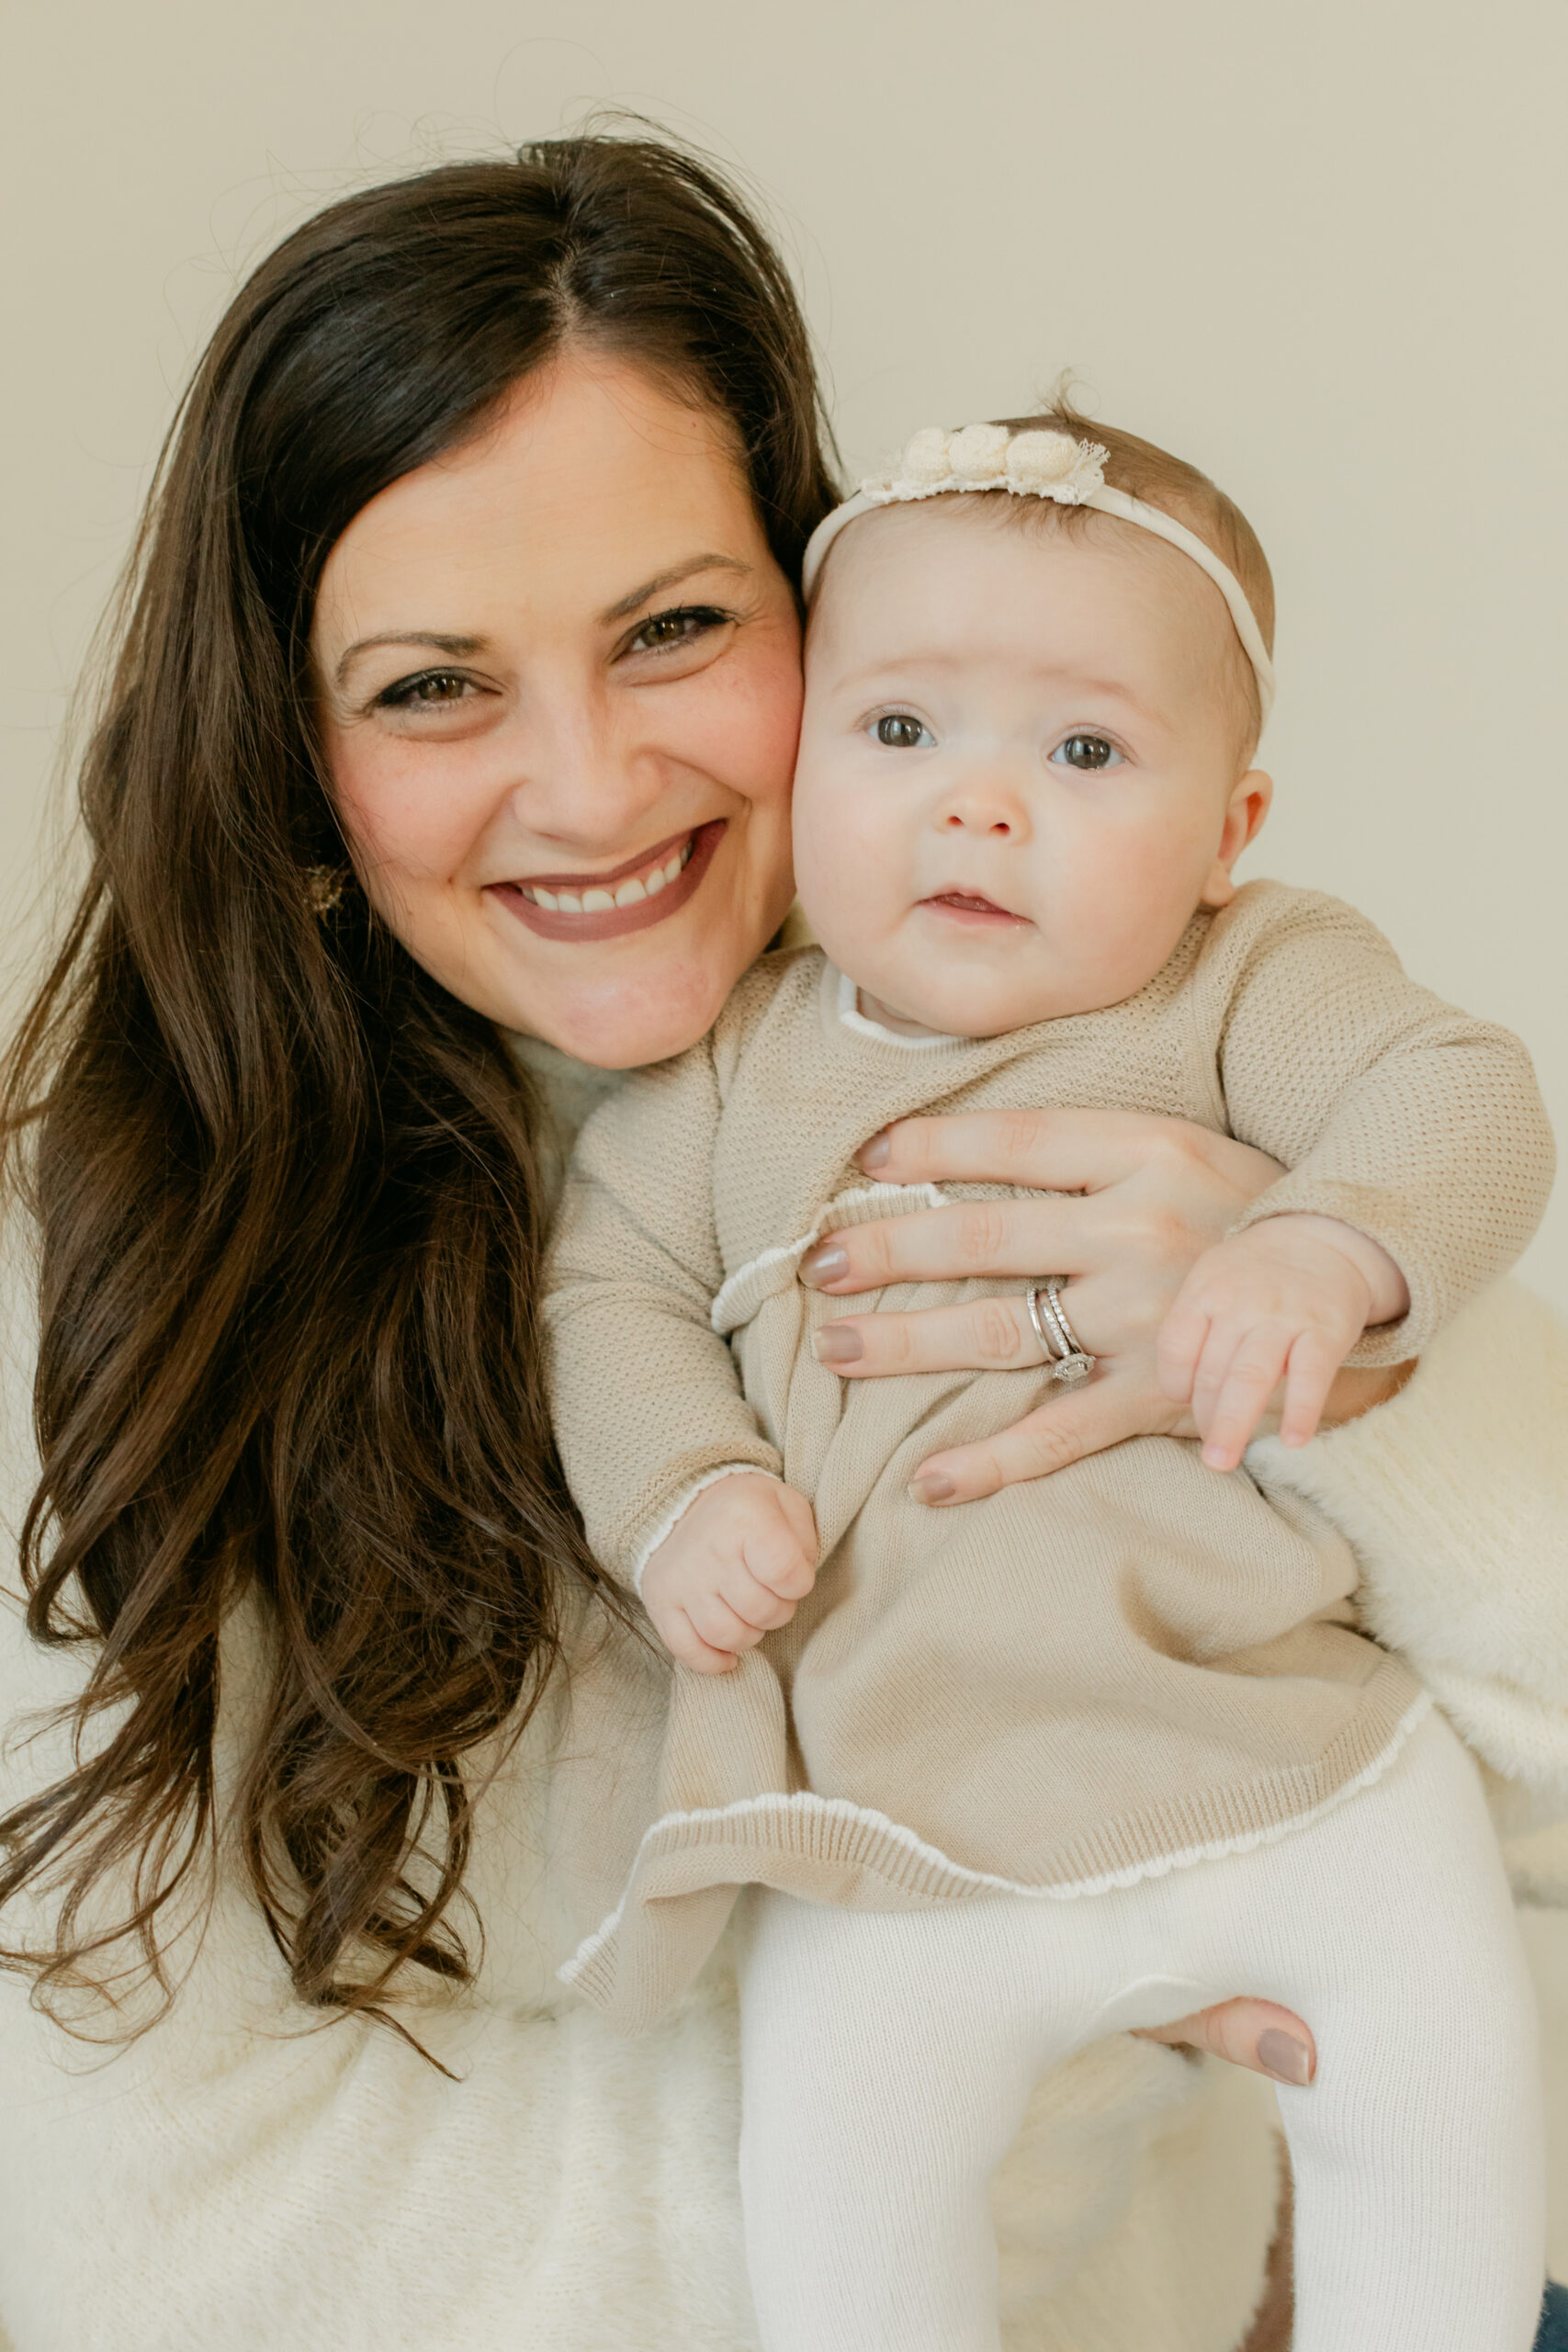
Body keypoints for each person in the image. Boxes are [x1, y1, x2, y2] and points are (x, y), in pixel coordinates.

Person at [0, 136, 1562, 2352]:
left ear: (817, 611)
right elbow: (187, 2254)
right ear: (292, 756)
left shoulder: (1152, 1032)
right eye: (435, 684)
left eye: (673, 630)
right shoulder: (90, 1310)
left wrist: (1330, 1322)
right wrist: (1029, 2020)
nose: (594, 782)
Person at [543, 409, 1553, 2350]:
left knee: (1437, 2113)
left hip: (1289, 1752)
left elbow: (1463, 1093)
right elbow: (610, 1290)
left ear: (1224, 830)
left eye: (1081, 752)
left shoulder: (1244, 978)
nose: (976, 806)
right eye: (899, 730)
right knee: (840, 2229)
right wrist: (680, 1487)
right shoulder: (729, 1071)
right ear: (799, 752)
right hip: (901, 1826)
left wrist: (1316, 1244)